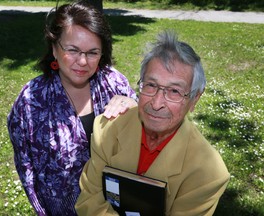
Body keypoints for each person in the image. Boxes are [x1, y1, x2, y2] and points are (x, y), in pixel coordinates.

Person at [75, 30, 230, 216]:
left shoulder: (208, 174)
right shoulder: (106, 129)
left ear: (194, 99)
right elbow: (89, 201)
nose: (156, 104)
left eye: (174, 91)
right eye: (151, 85)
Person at [7, 1, 137, 215]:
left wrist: (134, 105)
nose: (83, 61)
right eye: (73, 50)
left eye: (93, 52)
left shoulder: (114, 83)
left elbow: (146, 133)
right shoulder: (31, 101)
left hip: (114, 203)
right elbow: (27, 170)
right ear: (54, 49)